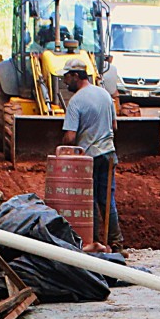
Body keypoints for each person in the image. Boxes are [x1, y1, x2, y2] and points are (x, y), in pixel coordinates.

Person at [60, 58, 124, 250]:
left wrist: (61, 146)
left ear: (76, 76)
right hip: (109, 154)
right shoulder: (105, 95)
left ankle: (93, 242)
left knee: (89, 200)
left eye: (67, 77)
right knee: (107, 200)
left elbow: (70, 137)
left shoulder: (76, 101)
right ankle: (117, 243)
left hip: (90, 158)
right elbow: (114, 126)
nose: (64, 81)